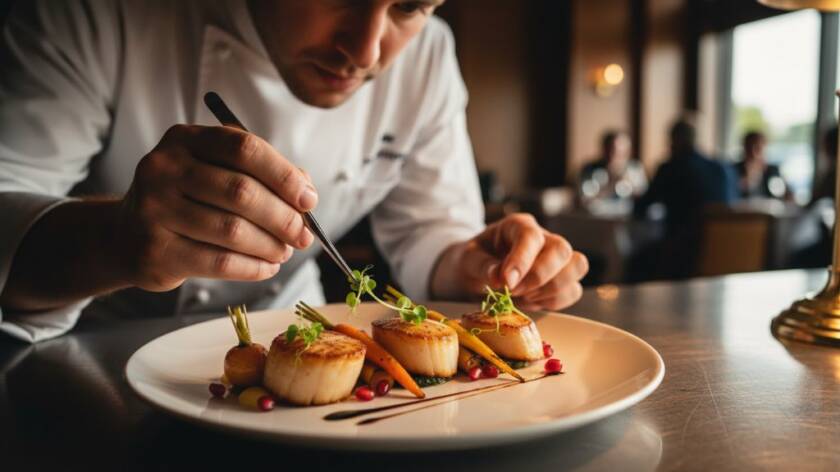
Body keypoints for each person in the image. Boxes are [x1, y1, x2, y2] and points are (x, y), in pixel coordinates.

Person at [0, 1, 588, 342]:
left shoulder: (429, 54)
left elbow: (431, 230)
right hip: (90, 348)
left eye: (409, 6)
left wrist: (480, 266)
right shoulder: (91, 14)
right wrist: (116, 240)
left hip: (295, 336)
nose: (365, 51)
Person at [631, 118, 737, 279]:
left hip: (682, 254)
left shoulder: (670, 168)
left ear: (675, 140)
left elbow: (640, 210)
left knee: (634, 261)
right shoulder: (722, 168)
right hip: (726, 251)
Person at [578, 130, 647, 211]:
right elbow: (584, 200)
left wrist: (630, 186)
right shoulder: (590, 169)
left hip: (627, 218)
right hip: (597, 218)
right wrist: (611, 186)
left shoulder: (635, 169)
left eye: (620, 152)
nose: (613, 155)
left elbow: (644, 198)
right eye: (611, 150)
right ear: (604, 149)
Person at [735, 131, 790, 200]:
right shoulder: (734, 170)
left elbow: (785, 194)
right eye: (749, 147)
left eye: (757, 148)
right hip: (743, 210)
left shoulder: (772, 170)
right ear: (744, 147)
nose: (753, 152)